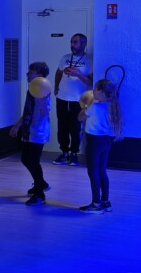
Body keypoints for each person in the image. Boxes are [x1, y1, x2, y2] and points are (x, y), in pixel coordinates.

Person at [77, 80, 123, 214]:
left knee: (93, 172)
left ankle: (96, 204)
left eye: (95, 89)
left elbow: (80, 118)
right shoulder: (111, 106)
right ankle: (105, 202)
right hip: (105, 141)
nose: (93, 91)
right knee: (102, 171)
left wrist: (85, 105)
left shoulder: (95, 107)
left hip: (94, 142)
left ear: (102, 92)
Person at [10, 62, 52, 206]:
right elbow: (28, 111)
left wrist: (42, 101)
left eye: (31, 72)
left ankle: (40, 194)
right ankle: (41, 183)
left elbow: (45, 113)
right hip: (29, 129)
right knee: (25, 159)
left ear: (39, 75)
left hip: (38, 131)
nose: (27, 74)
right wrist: (17, 125)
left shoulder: (43, 90)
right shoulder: (32, 89)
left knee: (33, 161)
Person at [53, 33, 93, 166]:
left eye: (75, 42)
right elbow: (59, 72)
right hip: (62, 98)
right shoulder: (65, 58)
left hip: (78, 100)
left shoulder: (89, 60)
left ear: (83, 43)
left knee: (75, 128)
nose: (72, 45)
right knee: (62, 127)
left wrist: (78, 74)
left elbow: (90, 81)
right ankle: (64, 153)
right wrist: (56, 87)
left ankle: (74, 154)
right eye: (71, 42)